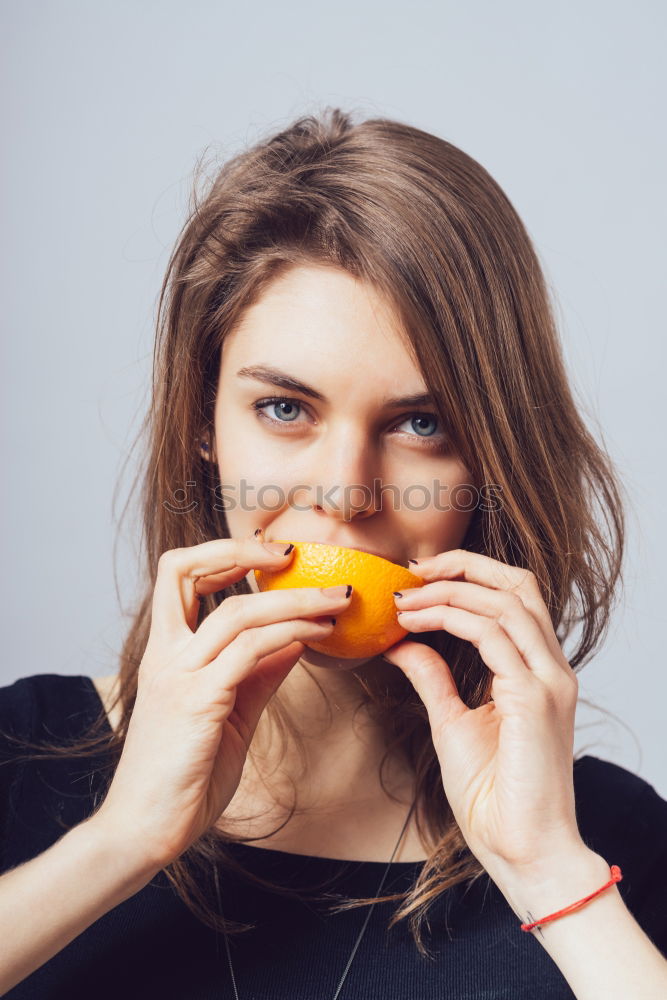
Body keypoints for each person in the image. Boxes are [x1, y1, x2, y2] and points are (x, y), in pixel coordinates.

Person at [1, 107, 666, 1000]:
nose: (347, 493)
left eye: (420, 425)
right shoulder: (21, 754)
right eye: (285, 409)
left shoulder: (605, 844)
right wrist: (121, 840)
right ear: (205, 421)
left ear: (492, 459)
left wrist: (550, 874)